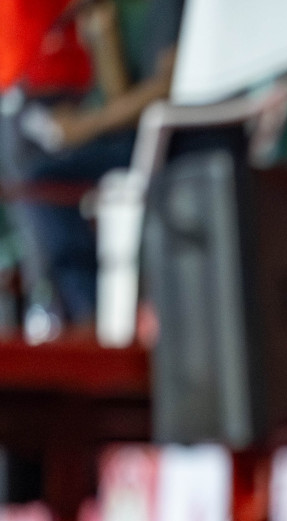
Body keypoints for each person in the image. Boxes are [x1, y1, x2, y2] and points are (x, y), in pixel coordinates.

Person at [0, 0, 184, 327]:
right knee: (39, 204)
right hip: (29, 102)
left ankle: (86, 322)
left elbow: (159, 91)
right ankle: (74, 318)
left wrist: (87, 125)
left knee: (43, 187)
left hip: (176, 137)